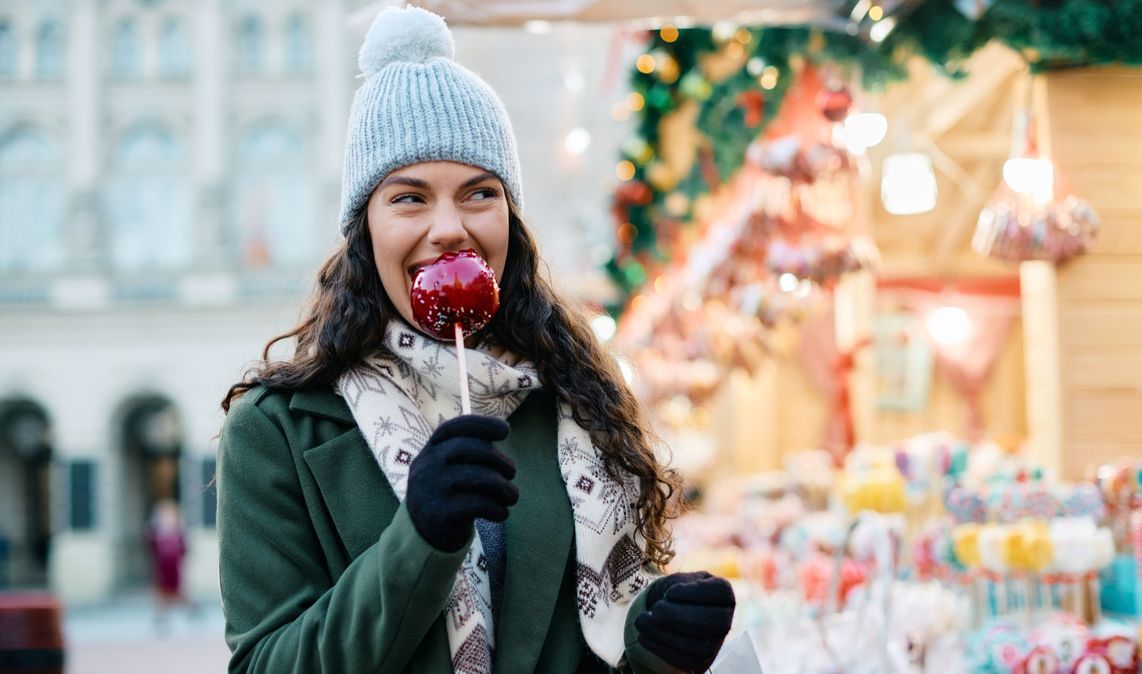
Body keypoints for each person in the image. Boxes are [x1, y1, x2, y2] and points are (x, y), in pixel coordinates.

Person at [216, 7, 735, 673]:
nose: (449, 227)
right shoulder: (276, 433)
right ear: (364, 229)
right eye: (408, 198)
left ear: (509, 221)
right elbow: (266, 664)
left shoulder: (573, 400)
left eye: (479, 193)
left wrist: (659, 649)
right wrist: (420, 540)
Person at [145, 498, 192, 631]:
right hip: (162, 567)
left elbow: (184, 550)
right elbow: (152, 549)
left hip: (173, 567)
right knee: (161, 593)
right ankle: (161, 617)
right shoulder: (157, 534)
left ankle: (191, 610)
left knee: (176, 593)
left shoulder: (178, 534)